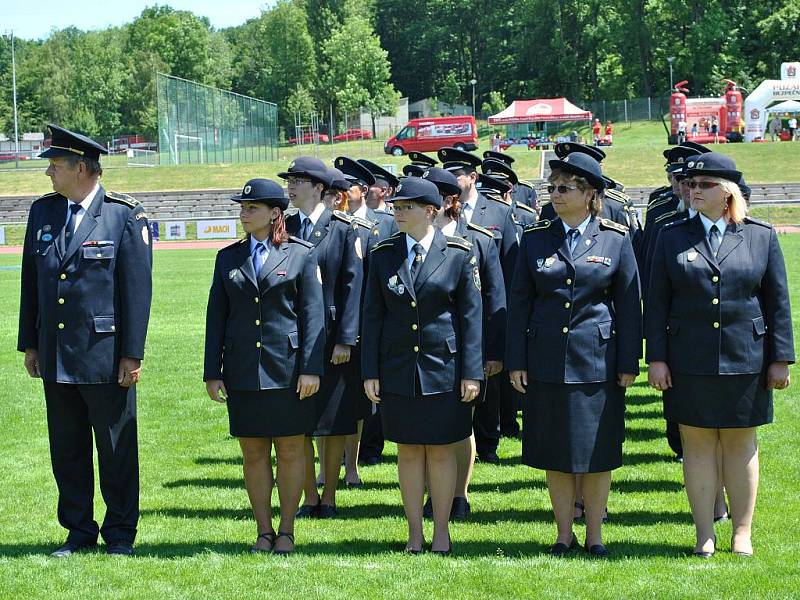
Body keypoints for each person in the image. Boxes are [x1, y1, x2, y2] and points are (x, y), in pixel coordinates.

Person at [646, 152, 794, 558]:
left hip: (746, 356)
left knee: (740, 444)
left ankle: (742, 531)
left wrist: (780, 358)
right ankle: (703, 534)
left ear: (726, 191)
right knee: (697, 446)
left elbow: (777, 302)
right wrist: (656, 358)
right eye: (690, 185)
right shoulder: (671, 235)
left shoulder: (760, 235)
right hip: (687, 359)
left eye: (703, 185)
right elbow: (656, 303)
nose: (693, 190)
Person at [18, 124, 153, 557]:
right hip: (56, 354)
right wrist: (31, 343)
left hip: (104, 355)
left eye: (55, 166)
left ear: (82, 168)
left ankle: (119, 534)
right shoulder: (44, 213)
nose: (48, 174)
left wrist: (131, 354)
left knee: (115, 449)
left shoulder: (123, 216)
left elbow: (137, 292)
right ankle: (78, 531)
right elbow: (31, 284)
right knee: (68, 449)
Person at [506, 152, 642, 558]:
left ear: (590, 195)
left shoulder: (615, 239)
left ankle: (596, 534)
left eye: (565, 188)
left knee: (598, 453)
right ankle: (564, 533)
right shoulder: (534, 238)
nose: (555, 194)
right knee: (555, 452)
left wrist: (627, 363)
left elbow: (629, 305)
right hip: (546, 360)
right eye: (553, 188)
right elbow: (519, 304)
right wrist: (517, 360)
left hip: (597, 361)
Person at [361, 176, 483, 554]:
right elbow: (372, 317)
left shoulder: (459, 253)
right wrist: (370, 372)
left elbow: (471, 318)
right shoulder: (383, 253)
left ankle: (442, 532)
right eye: (396, 207)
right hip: (398, 368)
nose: (397, 213)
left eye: (406, 208)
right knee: (409, 450)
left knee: (442, 450)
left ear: (431, 211)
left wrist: (472, 373)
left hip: (444, 368)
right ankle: (415, 533)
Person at [204, 178, 325, 554]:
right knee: (253, 453)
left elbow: (313, 317)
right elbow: (216, 317)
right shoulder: (228, 257)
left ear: (275, 213)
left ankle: (286, 529)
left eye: (251, 208)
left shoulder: (301, 254)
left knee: (290, 451)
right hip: (242, 370)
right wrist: (213, 370)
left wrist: (311, 368)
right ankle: (263, 530)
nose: (244, 213)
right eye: (242, 207)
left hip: (287, 370)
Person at [278, 157, 363, 519]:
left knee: (333, 421)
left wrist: (346, 338)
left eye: (299, 181)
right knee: (300, 420)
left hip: (331, 341)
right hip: (294, 335)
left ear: (318, 188)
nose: (291, 187)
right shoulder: (284, 225)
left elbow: (352, 285)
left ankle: (328, 495)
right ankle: (309, 496)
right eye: (289, 180)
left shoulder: (343, 228)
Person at [425, 166, 507, 520]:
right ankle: (434, 491)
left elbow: (494, 299)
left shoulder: (478, 238)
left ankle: (459, 494)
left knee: (461, 423)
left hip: (466, 348)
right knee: (429, 427)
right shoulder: (414, 237)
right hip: (427, 349)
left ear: (447, 201)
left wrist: (493, 352)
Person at [439, 146, 518, 464]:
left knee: (489, 383)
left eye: (457, 174)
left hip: (486, 313)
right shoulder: (439, 212)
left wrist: (501, 339)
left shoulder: (497, 212)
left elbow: (509, 274)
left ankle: (488, 444)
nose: (452, 179)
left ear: (472, 177)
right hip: (450, 313)